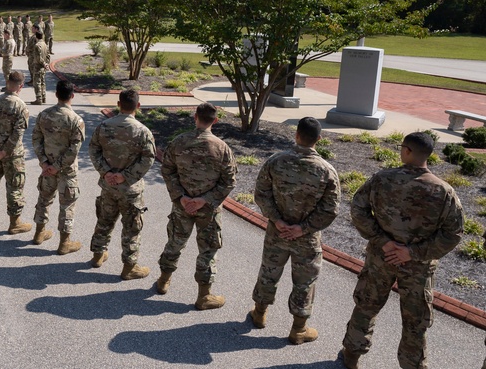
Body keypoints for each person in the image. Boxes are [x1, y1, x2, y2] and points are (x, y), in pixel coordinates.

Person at [340, 132, 464, 369]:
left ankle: (351, 356)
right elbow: (453, 234)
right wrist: (413, 253)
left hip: (381, 258)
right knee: (415, 321)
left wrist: (382, 241)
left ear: (407, 151)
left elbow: (358, 209)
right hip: (418, 268)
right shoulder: (444, 191)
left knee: (366, 306)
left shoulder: (382, 179)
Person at [249, 117, 340, 344]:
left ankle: (259, 314)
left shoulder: (276, 161)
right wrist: (303, 228)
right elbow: (330, 210)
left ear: (296, 135)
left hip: (276, 233)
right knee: (305, 282)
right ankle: (298, 330)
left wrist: (277, 220)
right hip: (306, 239)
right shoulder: (327, 171)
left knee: (269, 271)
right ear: (319, 139)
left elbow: (261, 194)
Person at [155, 102, 237, 309]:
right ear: (215, 121)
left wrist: (181, 197)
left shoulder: (178, 142)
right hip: (208, 210)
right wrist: (204, 200)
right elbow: (229, 181)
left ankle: (163, 281)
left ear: (195, 117)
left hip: (182, 207)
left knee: (175, 242)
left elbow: (167, 170)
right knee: (208, 250)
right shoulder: (222, 148)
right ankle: (204, 296)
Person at [88, 88, 156, 280]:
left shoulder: (104, 126)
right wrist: (125, 176)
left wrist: (106, 172)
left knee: (104, 221)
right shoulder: (143, 131)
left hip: (108, 187)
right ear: (138, 106)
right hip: (131, 190)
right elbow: (148, 159)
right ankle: (129, 267)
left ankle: (98, 256)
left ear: (118, 105)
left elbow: (94, 150)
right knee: (132, 228)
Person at [31, 80, 86, 255]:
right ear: (72, 96)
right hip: (66, 171)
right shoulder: (76, 120)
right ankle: (64, 243)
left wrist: (45, 163)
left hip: (47, 169)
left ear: (56, 94)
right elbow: (74, 150)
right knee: (67, 205)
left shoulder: (44, 115)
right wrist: (56, 166)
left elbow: (36, 139)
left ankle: (39, 234)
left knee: (44, 199)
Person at [0, 71, 32, 234]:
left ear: (7, 82)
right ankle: (14, 223)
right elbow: (18, 133)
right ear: (21, 86)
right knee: (15, 187)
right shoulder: (20, 106)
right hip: (12, 156)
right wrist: (5, 152)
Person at [29, 30, 50, 104]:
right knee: (43, 82)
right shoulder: (45, 44)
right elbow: (48, 55)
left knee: (37, 83)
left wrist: (44, 63)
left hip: (38, 66)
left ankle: (39, 99)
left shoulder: (37, 45)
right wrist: (47, 63)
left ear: (36, 37)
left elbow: (38, 58)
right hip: (43, 67)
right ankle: (43, 97)